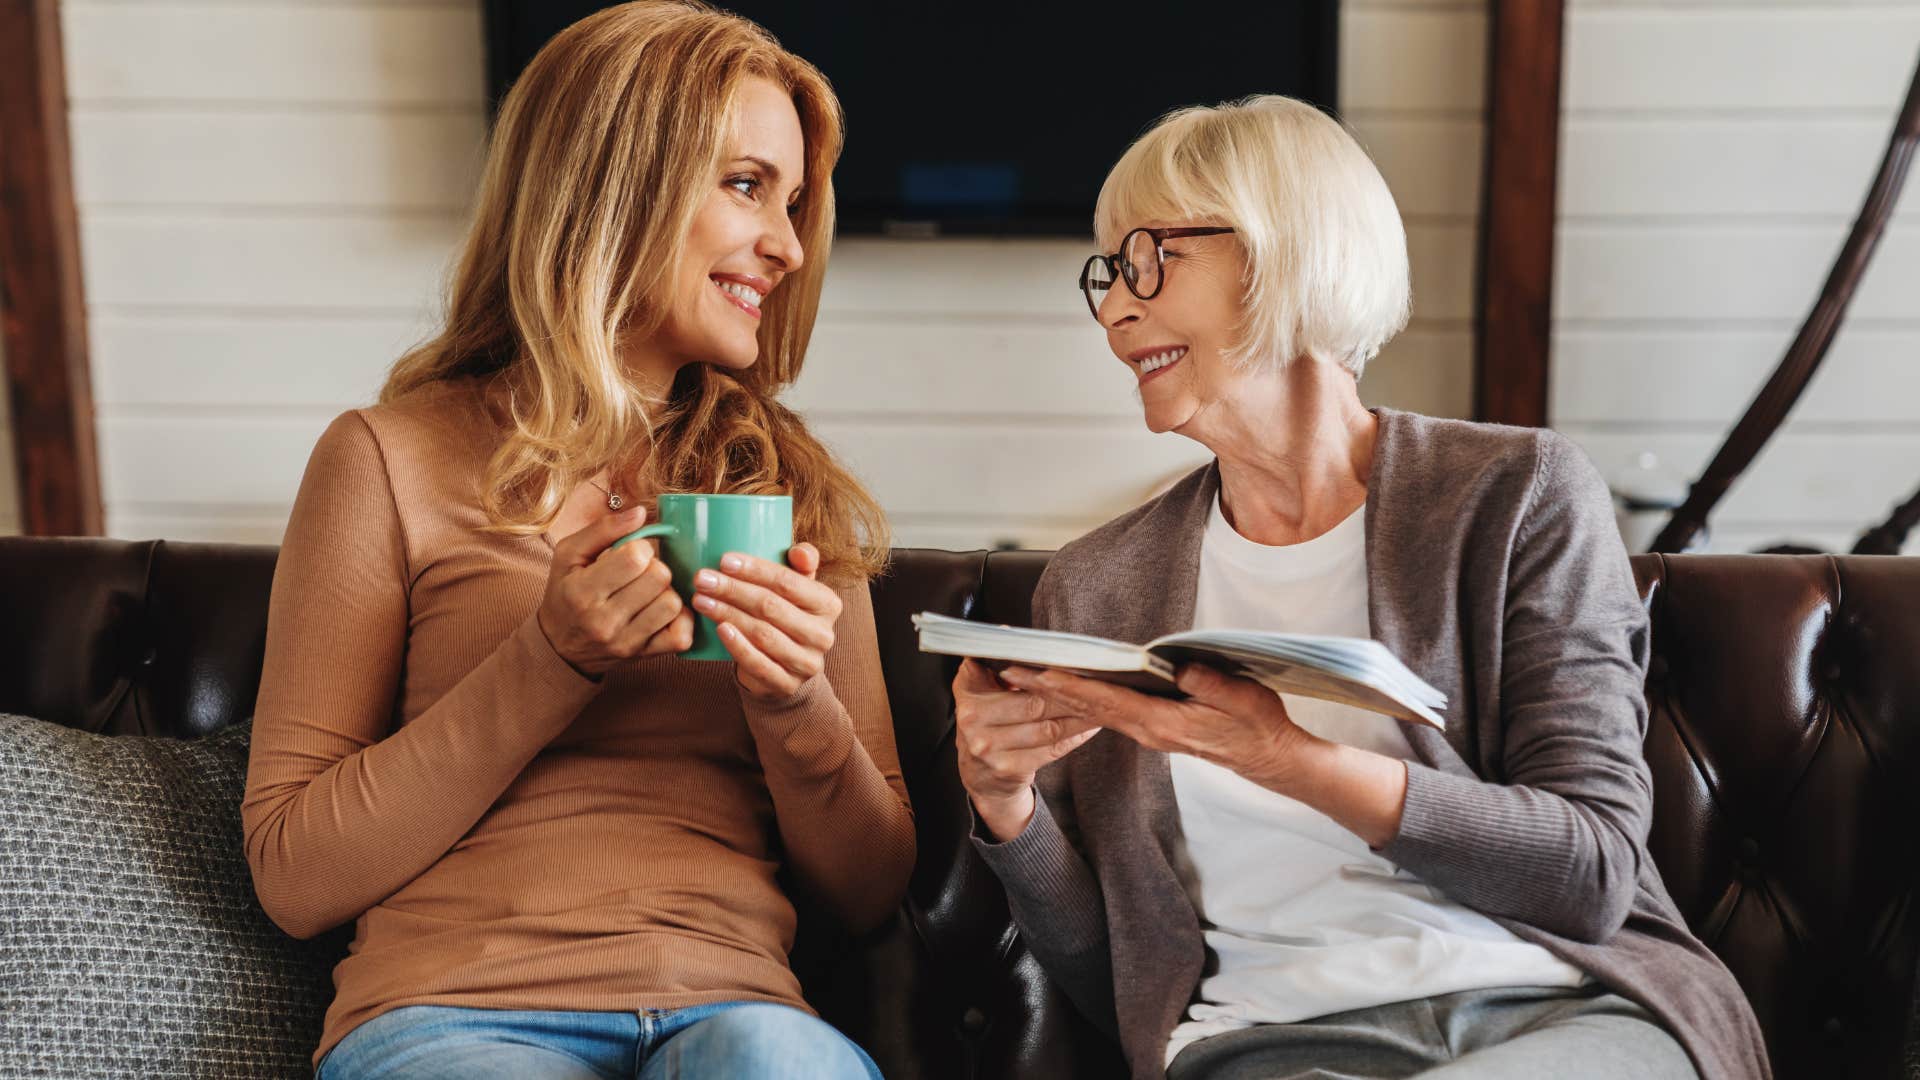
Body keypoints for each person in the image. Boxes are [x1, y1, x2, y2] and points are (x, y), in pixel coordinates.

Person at [953, 95, 1767, 1080]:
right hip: (1272, 1047)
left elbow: (1591, 872)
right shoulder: (1097, 588)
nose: (1116, 306)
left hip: (1563, 1017)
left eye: (1150, 258)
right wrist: (1005, 804)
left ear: (1282, 252)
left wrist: (1286, 758)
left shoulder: (1515, 497)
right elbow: (1111, 977)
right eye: (1108, 273)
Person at [241, 5, 910, 1077]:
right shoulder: (388, 459)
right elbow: (293, 874)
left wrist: (795, 708)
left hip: (736, 1011)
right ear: (616, 181)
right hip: (451, 1017)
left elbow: (872, 892)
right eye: (746, 186)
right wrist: (551, 661)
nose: (787, 244)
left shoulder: (787, 492)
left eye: (793, 203)